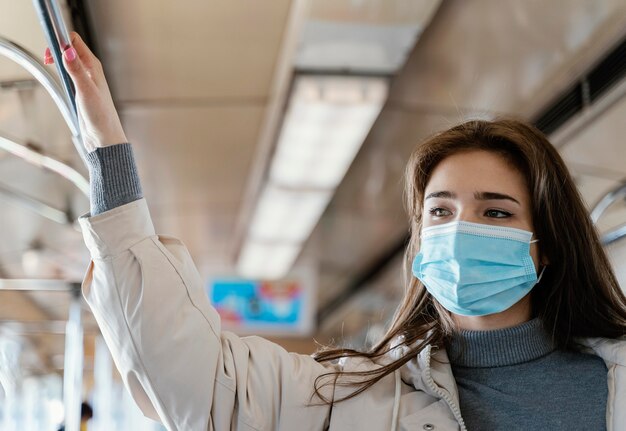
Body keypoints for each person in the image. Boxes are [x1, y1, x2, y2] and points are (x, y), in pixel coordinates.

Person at [51, 32, 626, 430]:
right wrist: (107, 149)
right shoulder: (351, 398)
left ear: (545, 242)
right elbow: (195, 380)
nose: (460, 231)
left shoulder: (611, 384)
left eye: (496, 212)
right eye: (440, 212)